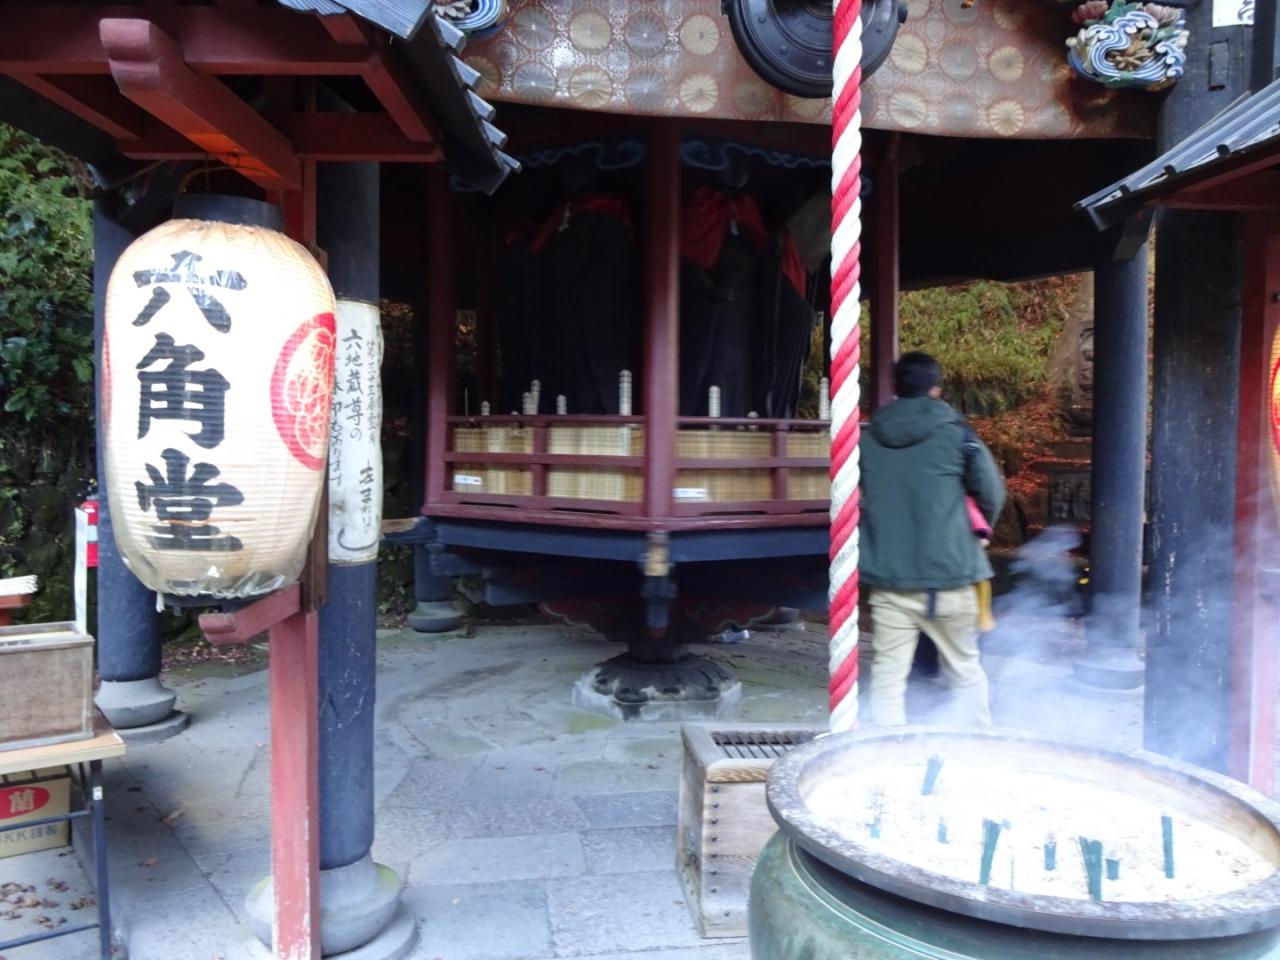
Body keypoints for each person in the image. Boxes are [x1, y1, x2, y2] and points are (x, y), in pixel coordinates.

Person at [859, 352, 1006, 726]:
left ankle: (888, 748)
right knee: (965, 669)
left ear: (895, 387)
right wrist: (980, 530)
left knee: (888, 675)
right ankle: (975, 744)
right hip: (951, 574)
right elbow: (991, 492)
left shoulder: (868, 438)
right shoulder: (958, 434)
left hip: (890, 579)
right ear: (936, 389)